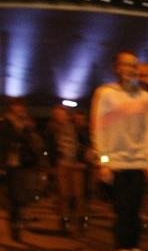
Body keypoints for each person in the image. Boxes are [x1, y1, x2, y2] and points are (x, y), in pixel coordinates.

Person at [90, 51, 148, 251]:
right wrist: (104, 162)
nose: (131, 69)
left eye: (134, 65)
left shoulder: (146, 99)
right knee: (123, 213)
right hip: (116, 165)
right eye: (126, 65)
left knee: (136, 213)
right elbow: (98, 129)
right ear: (117, 68)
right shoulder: (105, 94)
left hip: (139, 164)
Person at [44, 104, 90, 235]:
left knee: (78, 194)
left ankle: (81, 218)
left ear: (67, 114)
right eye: (57, 114)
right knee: (64, 194)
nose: (59, 117)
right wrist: (52, 161)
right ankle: (64, 219)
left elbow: (84, 144)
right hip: (62, 163)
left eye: (61, 114)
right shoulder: (52, 129)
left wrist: (83, 160)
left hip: (76, 164)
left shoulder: (76, 127)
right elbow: (50, 147)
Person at [0, 97, 40, 241]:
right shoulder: (6, 122)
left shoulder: (27, 122)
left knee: (24, 192)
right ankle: (14, 222)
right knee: (13, 194)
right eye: (16, 106)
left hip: (24, 162)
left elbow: (32, 141)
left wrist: (28, 129)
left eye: (20, 106)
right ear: (11, 107)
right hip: (10, 162)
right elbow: (4, 141)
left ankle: (18, 219)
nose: (19, 109)